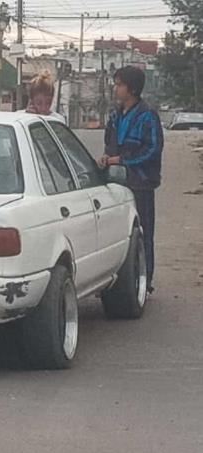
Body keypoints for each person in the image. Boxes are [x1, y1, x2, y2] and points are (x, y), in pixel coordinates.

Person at [100, 65, 163, 293]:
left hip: (141, 184)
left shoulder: (148, 116)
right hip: (116, 183)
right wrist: (108, 158)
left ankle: (145, 282)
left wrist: (124, 161)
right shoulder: (115, 115)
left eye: (119, 84)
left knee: (143, 232)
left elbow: (153, 150)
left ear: (133, 88)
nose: (115, 89)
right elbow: (109, 142)